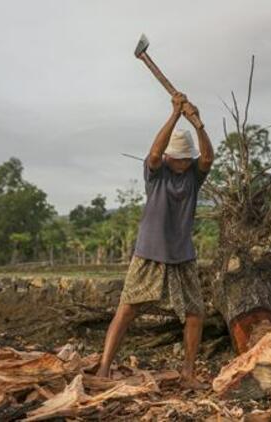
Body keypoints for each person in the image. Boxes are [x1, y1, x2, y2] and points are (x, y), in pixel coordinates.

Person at [96, 92, 214, 389]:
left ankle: (188, 373)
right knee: (128, 309)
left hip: (182, 254)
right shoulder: (156, 173)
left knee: (195, 313)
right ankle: (103, 369)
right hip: (150, 251)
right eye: (180, 159)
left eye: (188, 160)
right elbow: (153, 153)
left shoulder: (192, 178)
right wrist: (175, 113)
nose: (184, 164)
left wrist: (198, 125)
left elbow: (209, 157)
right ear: (169, 158)